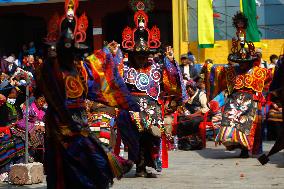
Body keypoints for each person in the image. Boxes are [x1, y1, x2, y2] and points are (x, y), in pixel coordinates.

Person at [37, 0, 138, 188]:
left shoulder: (80, 69)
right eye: (66, 52)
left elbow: (96, 84)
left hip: (80, 123)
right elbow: (54, 97)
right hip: (61, 127)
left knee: (95, 161)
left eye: (73, 52)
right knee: (67, 169)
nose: (71, 56)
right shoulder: (50, 70)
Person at [116, 0, 186, 178]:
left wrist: (170, 61)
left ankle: (144, 165)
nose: (140, 59)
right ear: (132, 55)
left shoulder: (156, 68)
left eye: (143, 55)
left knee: (151, 137)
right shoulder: (126, 68)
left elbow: (171, 82)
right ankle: (138, 166)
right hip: (132, 108)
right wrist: (112, 56)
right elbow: (113, 82)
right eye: (137, 55)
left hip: (152, 107)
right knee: (136, 135)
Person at [214, 12, 272, 158]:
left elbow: (269, 81)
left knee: (249, 125)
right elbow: (219, 75)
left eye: (246, 62)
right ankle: (237, 144)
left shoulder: (259, 71)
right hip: (235, 100)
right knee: (230, 119)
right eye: (241, 62)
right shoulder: (232, 72)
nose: (243, 65)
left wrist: (261, 96)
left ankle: (247, 148)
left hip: (252, 101)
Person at [177, 80, 209, 150]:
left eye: (191, 88)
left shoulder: (201, 95)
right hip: (190, 115)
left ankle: (195, 140)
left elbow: (205, 108)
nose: (190, 90)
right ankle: (184, 141)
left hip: (200, 116)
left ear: (194, 87)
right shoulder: (188, 97)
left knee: (193, 121)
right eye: (188, 89)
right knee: (180, 120)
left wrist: (193, 115)